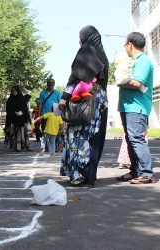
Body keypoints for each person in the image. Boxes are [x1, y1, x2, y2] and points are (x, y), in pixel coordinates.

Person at [58, 25, 109, 187]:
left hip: (84, 98)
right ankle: (89, 174)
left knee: (74, 135)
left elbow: (75, 77)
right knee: (93, 137)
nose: (79, 40)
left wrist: (64, 97)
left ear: (85, 37)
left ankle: (76, 173)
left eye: (80, 36)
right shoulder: (102, 56)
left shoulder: (86, 52)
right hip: (99, 100)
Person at [116, 32, 157, 184]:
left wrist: (120, 81)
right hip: (127, 106)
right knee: (130, 139)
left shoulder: (143, 60)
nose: (125, 48)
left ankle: (147, 173)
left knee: (137, 139)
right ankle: (135, 171)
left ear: (130, 44)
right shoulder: (133, 60)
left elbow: (138, 83)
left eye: (125, 45)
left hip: (137, 107)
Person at [5, 86, 32, 152]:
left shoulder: (22, 99)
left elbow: (25, 109)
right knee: (15, 133)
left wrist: (22, 113)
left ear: (18, 91)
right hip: (13, 119)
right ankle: (17, 147)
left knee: (25, 133)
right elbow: (8, 109)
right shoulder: (10, 100)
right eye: (12, 91)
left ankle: (26, 146)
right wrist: (14, 112)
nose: (14, 92)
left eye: (15, 90)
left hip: (22, 119)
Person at [38, 78, 61, 151]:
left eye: (51, 85)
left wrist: (60, 115)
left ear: (54, 85)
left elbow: (60, 104)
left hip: (55, 115)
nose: (50, 86)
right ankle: (46, 147)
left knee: (55, 131)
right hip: (45, 114)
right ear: (47, 85)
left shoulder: (57, 93)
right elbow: (40, 104)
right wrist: (39, 114)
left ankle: (55, 147)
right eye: (49, 85)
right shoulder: (42, 93)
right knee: (45, 131)